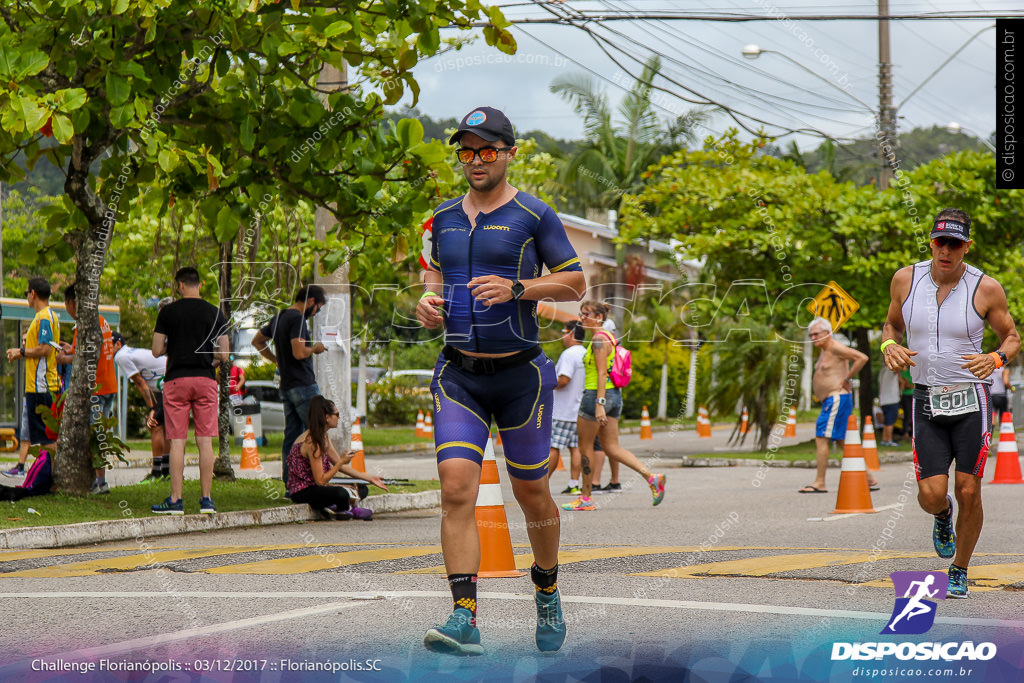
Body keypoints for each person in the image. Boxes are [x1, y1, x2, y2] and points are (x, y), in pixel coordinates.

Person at [416, 106, 585, 656]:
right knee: (456, 487)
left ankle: (547, 585)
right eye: (466, 152)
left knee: (532, 493)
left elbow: (575, 284)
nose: (476, 161)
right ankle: (464, 615)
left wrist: (520, 289)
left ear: (509, 154)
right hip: (457, 374)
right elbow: (432, 278)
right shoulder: (440, 217)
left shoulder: (535, 215)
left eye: (487, 151)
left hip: (522, 378)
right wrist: (426, 302)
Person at [881, 208, 1020, 597]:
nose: (946, 250)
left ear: (966, 246)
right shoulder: (905, 280)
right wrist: (889, 344)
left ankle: (959, 568)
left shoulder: (986, 288)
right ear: (931, 241)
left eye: (955, 244)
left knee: (969, 490)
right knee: (931, 494)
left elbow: (1012, 337)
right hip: (926, 398)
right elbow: (890, 324)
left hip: (972, 400)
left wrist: (995, 359)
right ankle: (942, 516)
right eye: (941, 242)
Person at [563, 301, 666, 511]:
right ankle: (652, 477)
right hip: (614, 395)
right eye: (581, 314)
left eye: (586, 314)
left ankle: (586, 498)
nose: (582, 318)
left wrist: (599, 404)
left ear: (599, 317)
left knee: (585, 447)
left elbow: (601, 373)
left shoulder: (599, 340)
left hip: (596, 396)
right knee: (611, 447)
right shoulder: (608, 337)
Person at [151, 267, 230, 515]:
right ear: (201, 284)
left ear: (180, 285)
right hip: (205, 380)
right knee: (205, 442)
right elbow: (225, 355)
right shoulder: (216, 313)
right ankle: (207, 500)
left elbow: (155, 350)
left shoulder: (168, 312)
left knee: (177, 442)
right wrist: (209, 355)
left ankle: (176, 500)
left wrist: (172, 346)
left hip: (177, 380)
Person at [252, 285, 327, 484]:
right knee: (319, 429)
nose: (316, 312)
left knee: (293, 436)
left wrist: (276, 359)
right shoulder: (298, 319)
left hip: (286, 386)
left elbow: (257, 341)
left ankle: (291, 484)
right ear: (311, 301)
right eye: (318, 307)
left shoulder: (280, 317)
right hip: (303, 384)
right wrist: (315, 348)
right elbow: (299, 352)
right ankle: (321, 478)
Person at [798, 317, 878, 494]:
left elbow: (861, 358)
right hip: (832, 400)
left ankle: (820, 482)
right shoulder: (824, 349)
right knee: (841, 440)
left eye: (816, 334)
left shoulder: (835, 347)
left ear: (827, 333)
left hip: (836, 398)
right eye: (811, 335)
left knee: (821, 436)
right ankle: (869, 478)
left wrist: (847, 378)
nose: (813, 338)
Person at [56, 284, 117, 494]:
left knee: (96, 434)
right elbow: (87, 349)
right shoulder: (100, 320)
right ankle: (99, 478)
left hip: (97, 389)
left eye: (67, 306)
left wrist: (65, 357)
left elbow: (83, 356)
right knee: (100, 432)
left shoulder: (85, 323)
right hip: (108, 384)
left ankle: (100, 481)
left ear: (72, 303)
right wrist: (69, 349)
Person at [286, 395, 387, 520]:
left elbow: (341, 465)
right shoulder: (313, 442)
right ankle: (346, 508)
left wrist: (370, 478)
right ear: (327, 418)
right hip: (303, 492)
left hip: (318, 487)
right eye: (337, 414)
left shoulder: (323, 437)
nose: (339, 418)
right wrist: (339, 468)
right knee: (341, 493)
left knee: (362, 488)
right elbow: (321, 481)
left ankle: (337, 507)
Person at [4, 277, 61, 476]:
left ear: (33, 293)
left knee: (47, 439)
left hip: (41, 386)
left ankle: (51, 478)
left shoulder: (44, 317)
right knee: (41, 436)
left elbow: (44, 349)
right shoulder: (48, 316)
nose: (27, 297)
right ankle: (42, 475)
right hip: (40, 386)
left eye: (27, 292)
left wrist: (21, 352)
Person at [112, 332, 169, 482]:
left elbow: (140, 383)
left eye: (108, 345)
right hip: (163, 386)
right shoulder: (127, 352)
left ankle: (158, 473)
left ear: (118, 344)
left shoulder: (121, 356)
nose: (106, 348)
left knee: (155, 426)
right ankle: (166, 471)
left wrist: (151, 409)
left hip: (167, 385)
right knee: (163, 428)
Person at [550, 321, 586, 490]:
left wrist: (546, 384)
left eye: (564, 332)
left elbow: (564, 379)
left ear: (571, 333)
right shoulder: (586, 353)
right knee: (575, 447)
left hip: (562, 410)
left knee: (553, 446)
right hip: (578, 410)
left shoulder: (569, 354)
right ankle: (574, 484)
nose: (562, 336)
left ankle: (542, 485)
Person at [878, 365, 902, 447]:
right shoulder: (891, 369)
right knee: (890, 421)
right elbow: (898, 368)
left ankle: (884, 439)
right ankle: (889, 440)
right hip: (892, 399)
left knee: (886, 421)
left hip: (884, 400)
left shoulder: (883, 370)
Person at [989, 364, 1011, 429]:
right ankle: (1003, 433)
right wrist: (1011, 388)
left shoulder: (990, 370)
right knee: (1003, 417)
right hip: (1001, 396)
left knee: (992, 418)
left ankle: (990, 437)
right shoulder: (1004, 370)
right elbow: (1006, 381)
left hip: (992, 396)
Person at [898, 368, 914, 441]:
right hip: (906, 396)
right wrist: (915, 386)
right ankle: (905, 432)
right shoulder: (905, 372)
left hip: (914, 395)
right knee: (907, 414)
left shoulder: (916, 372)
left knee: (913, 414)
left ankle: (913, 433)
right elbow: (906, 385)